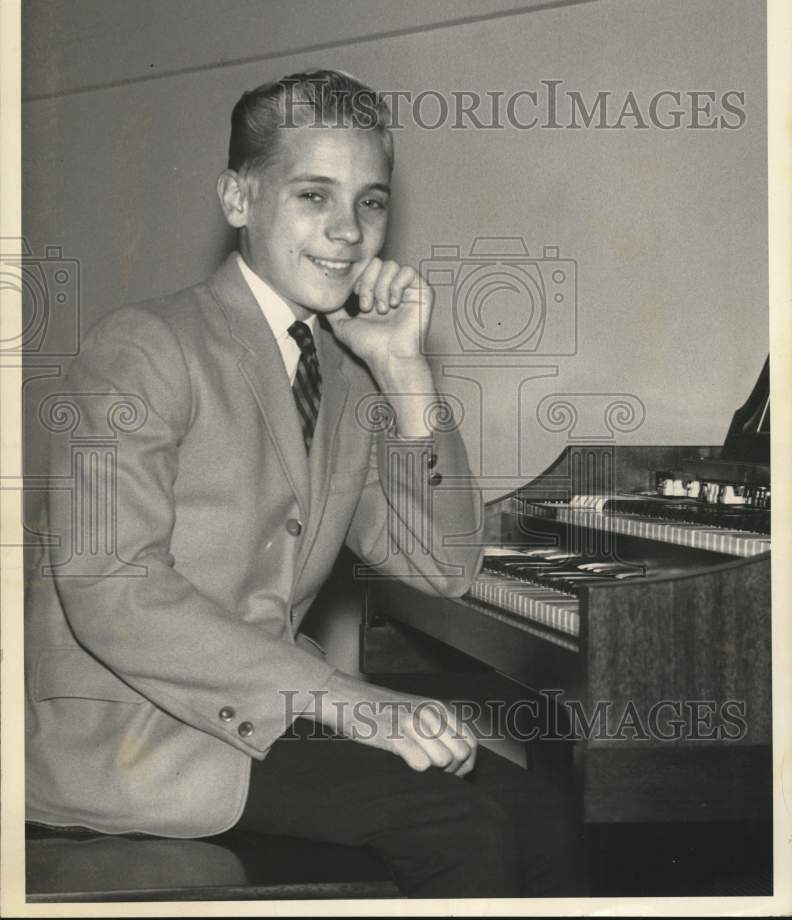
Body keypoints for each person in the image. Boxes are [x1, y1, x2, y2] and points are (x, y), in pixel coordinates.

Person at [25, 70, 579, 898]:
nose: (349, 232)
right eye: (314, 196)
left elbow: (444, 568)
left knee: (543, 818)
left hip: (269, 718)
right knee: (460, 830)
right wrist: (349, 700)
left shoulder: (346, 375)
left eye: (371, 202)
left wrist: (405, 375)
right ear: (238, 200)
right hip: (136, 736)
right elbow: (111, 590)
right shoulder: (141, 347)